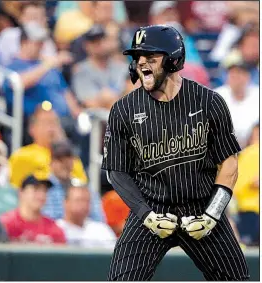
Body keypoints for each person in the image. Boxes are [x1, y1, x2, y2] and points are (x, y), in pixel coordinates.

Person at [102, 25, 249, 280]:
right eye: (137, 58)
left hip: (201, 207)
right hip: (151, 207)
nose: (141, 64)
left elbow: (228, 162)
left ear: (172, 60)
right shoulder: (123, 110)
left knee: (236, 279)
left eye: (150, 58)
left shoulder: (209, 101)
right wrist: (146, 216)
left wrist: (212, 215)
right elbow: (117, 171)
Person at [9, 106, 87, 189]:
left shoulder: (72, 158)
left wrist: (63, 144)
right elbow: (15, 190)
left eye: (55, 123)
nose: (51, 128)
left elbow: (82, 186)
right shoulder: (21, 156)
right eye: (46, 123)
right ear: (32, 128)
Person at [42, 140, 105, 222]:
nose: (65, 164)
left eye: (68, 159)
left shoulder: (84, 188)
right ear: (51, 162)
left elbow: (98, 219)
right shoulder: (42, 187)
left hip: (81, 231)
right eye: (60, 160)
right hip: (52, 232)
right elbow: (43, 219)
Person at [0, 174, 66, 244]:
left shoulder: (53, 229)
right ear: (21, 192)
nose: (41, 195)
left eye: (45, 191)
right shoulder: (6, 223)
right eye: (36, 189)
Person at [0, 1, 57, 66]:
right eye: (32, 17)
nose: (36, 22)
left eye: (40, 18)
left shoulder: (47, 41)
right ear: (21, 18)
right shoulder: (8, 35)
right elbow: (2, 63)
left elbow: (52, 65)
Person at [56, 182, 116, 248]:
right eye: (78, 200)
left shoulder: (101, 229)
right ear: (65, 203)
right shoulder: (56, 228)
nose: (83, 205)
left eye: (87, 201)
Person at [214, 60, 259, 148]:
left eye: (240, 74)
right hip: (223, 147)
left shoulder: (258, 94)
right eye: (232, 74)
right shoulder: (216, 95)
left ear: (248, 77)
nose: (236, 78)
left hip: (252, 147)